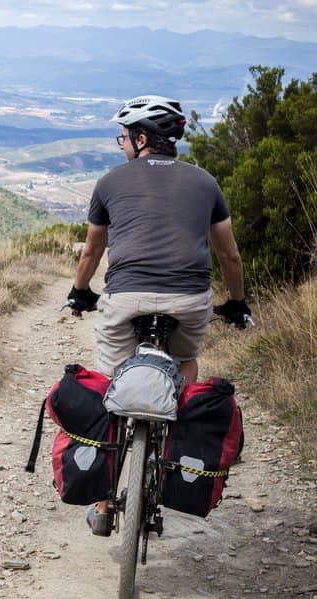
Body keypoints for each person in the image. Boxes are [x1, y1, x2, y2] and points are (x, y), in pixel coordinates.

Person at [67, 95, 250, 536]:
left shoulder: (111, 181)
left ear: (142, 138)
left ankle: (104, 500)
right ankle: (174, 459)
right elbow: (229, 254)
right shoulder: (206, 183)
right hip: (188, 301)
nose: (123, 144)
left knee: (110, 385)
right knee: (185, 365)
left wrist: (78, 292)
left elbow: (93, 249)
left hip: (125, 298)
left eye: (125, 136)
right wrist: (237, 304)